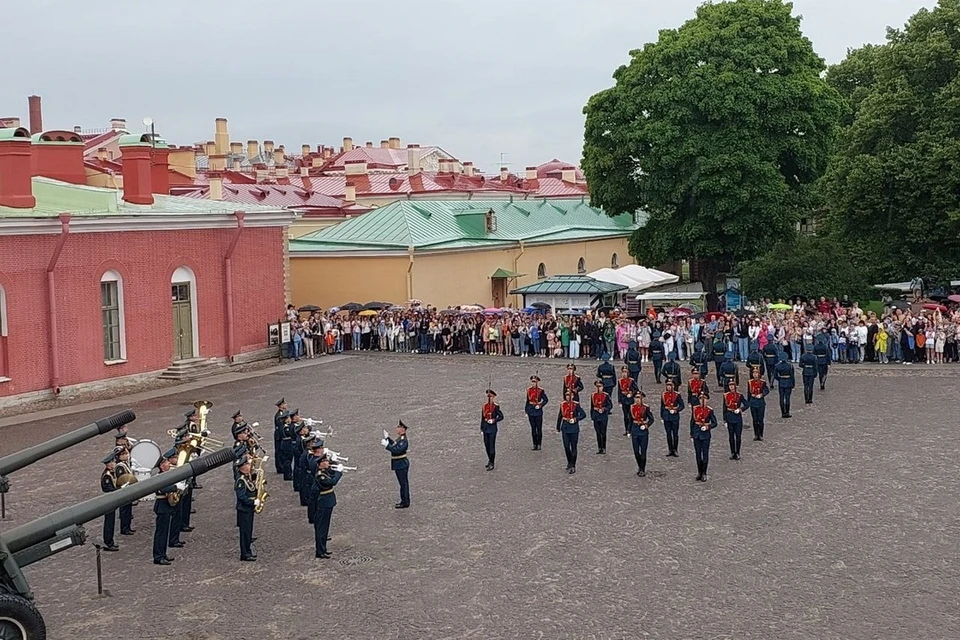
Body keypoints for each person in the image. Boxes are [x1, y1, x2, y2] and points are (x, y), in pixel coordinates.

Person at [152, 451, 179, 566]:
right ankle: (158, 556)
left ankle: (163, 554)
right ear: (162, 466)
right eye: (166, 462)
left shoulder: (165, 475)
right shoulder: (159, 477)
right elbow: (163, 489)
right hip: (162, 506)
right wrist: (176, 487)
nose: (168, 463)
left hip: (166, 506)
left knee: (165, 532)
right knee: (161, 533)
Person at [313, 457, 342, 559]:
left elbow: (332, 472)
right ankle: (320, 551)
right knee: (322, 529)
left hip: (328, 502)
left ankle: (323, 549)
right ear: (320, 463)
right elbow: (332, 481)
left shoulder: (325, 471)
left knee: (325, 528)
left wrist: (335, 463)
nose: (327, 463)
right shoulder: (320, 476)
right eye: (325, 461)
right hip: (324, 502)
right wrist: (339, 472)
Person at [556, 389, 586, 474]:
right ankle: (569, 461)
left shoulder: (576, 405)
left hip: (574, 428)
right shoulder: (563, 405)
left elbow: (583, 414)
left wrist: (576, 419)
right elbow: (560, 416)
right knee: (566, 446)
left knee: (573, 447)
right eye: (567, 395)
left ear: (573, 396)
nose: (568, 397)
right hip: (565, 427)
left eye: (570, 395)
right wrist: (558, 427)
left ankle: (573, 465)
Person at [235, 455, 258, 561]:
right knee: (245, 532)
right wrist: (253, 502)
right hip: (244, 509)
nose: (249, 466)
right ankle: (245, 554)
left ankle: (248, 551)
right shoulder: (241, 481)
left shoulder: (246, 478)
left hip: (248, 509)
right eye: (247, 464)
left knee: (248, 531)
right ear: (242, 467)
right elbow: (241, 497)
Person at [690, 394, 718, 482]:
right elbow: (692, 422)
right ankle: (699, 472)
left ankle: (704, 473)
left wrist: (708, 427)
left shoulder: (709, 410)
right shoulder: (695, 409)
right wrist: (691, 434)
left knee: (705, 454)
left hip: (705, 435)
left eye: (704, 399)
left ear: (707, 400)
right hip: (697, 434)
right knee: (698, 454)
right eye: (701, 399)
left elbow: (714, 423)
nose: (702, 401)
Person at [383, 421, 410, 508]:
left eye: (399, 427)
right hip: (399, 464)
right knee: (402, 483)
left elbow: (397, 450)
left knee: (403, 484)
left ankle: (405, 502)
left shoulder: (403, 440)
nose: (397, 428)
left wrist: (387, 446)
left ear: (402, 429)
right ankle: (404, 500)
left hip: (401, 464)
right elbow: (394, 445)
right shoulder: (399, 439)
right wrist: (388, 439)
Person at [629, 393, 655, 477]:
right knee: (636, 451)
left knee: (643, 451)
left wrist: (647, 425)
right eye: (636, 398)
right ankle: (639, 466)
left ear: (642, 399)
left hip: (643, 431)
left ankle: (642, 469)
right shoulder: (632, 408)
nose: (637, 400)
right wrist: (629, 431)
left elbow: (651, 419)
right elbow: (629, 420)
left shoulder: (646, 408)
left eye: (638, 398)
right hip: (635, 430)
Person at [100, 449, 120, 552]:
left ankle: (110, 541)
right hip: (108, 500)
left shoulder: (111, 473)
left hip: (111, 500)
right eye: (112, 462)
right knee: (109, 522)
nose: (114, 464)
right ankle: (108, 542)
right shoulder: (107, 475)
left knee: (111, 522)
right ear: (108, 465)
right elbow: (109, 489)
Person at [113, 447, 136, 536]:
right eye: (124, 454)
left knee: (128, 510)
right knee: (125, 511)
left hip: (128, 490)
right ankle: (124, 528)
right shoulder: (119, 467)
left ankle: (128, 527)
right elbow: (122, 479)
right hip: (123, 490)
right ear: (120, 456)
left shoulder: (125, 464)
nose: (127, 455)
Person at [723, 381, 748, 460]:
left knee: (738, 437)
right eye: (730, 386)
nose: (731, 387)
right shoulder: (726, 396)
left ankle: (738, 452)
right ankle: (732, 452)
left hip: (737, 418)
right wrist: (725, 420)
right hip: (729, 417)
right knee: (731, 437)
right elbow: (724, 409)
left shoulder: (739, 395)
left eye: (733, 385)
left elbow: (747, 404)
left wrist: (740, 409)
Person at [660, 380, 685, 457]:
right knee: (668, 434)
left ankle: (675, 449)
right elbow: (662, 406)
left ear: (673, 386)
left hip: (674, 417)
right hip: (666, 416)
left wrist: (676, 410)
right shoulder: (664, 395)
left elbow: (682, 406)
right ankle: (670, 449)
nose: (669, 387)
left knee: (675, 434)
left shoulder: (677, 395)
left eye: (670, 385)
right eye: (668, 385)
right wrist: (662, 416)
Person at [481, 389, 504, 470]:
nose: (489, 398)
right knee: (486, 445)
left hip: (492, 429)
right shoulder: (484, 406)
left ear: (493, 397)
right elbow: (483, 418)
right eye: (488, 396)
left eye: (490, 397)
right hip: (485, 428)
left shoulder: (496, 407)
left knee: (491, 446)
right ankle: (489, 460)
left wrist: (494, 420)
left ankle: (492, 462)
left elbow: (501, 416)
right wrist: (481, 428)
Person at [524, 376, 548, 451]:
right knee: (533, 428)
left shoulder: (541, 390)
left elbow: (546, 400)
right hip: (531, 409)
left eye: (535, 381)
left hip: (538, 411)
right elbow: (527, 401)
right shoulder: (529, 390)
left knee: (539, 428)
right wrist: (526, 410)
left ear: (537, 382)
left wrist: (540, 405)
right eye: (532, 381)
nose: (533, 383)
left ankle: (539, 444)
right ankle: (534, 444)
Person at [589, 379, 613, 454]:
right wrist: (592, 416)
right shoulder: (593, 395)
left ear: (603, 387)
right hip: (596, 415)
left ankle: (604, 447)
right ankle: (599, 447)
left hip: (603, 416)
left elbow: (610, 405)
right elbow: (592, 406)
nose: (598, 388)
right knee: (598, 432)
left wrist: (604, 409)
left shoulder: (606, 395)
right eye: (597, 386)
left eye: (600, 386)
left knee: (603, 432)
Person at [306, 438, 326, 524]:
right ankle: (314, 519)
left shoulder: (313, 458)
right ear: (318, 450)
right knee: (316, 504)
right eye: (321, 448)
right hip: (316, 484)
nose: (323, 449)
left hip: (313, 481)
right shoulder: (315, 461)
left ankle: (313, 518)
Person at [747, 367, 770, 441]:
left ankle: (761, 434)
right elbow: (748, 393)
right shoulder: (750, 382)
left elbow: (766, 390)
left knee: (760, 420)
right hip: (753, 402)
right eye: (754, 373)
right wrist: (748, 403)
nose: (755, 375)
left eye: (756, 373)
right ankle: (756, 434)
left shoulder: (762, 382)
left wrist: (762, 394)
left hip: (760, 403)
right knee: (754, 420)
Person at [617, 366, 638, 436]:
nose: (624, 373)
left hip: (630, 400)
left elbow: (636, 389)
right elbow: (619, 391)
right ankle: (626, 429)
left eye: (625, 372)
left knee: (631, 415)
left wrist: (632, 393)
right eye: (623, 372)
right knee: (625, 416)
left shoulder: (631, 380)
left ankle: (630, 429)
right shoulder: (620, 381)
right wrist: (619, 400)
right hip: (624, 400)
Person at [774, 352, 795, 418]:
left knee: (781, 398)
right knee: (787, 398)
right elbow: (792, 376)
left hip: (781, 382)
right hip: (788, 382)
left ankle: (783, 412)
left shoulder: (777, 366)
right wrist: (793, 383)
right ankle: (787, 412)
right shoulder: (790, 366)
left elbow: (775, 376)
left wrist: (780, 379)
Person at [278, 410, 296, 481]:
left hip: (286, 444)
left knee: (288, 460)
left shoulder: (285, 425)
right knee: (287, 461)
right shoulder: (286, 427)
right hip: (287, 445)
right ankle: (287, 475)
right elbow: (291, 434)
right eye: (288, 418)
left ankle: (288, 474)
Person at [273, 397, 287, 474]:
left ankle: (282, 466)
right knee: (279, 452)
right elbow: (281, 426)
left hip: (281, 435)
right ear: (281, 405)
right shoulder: (279, 415)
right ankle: (280, 467)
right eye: (284, 404)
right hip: (279, 435)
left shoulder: (284, 412)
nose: (286, 405)